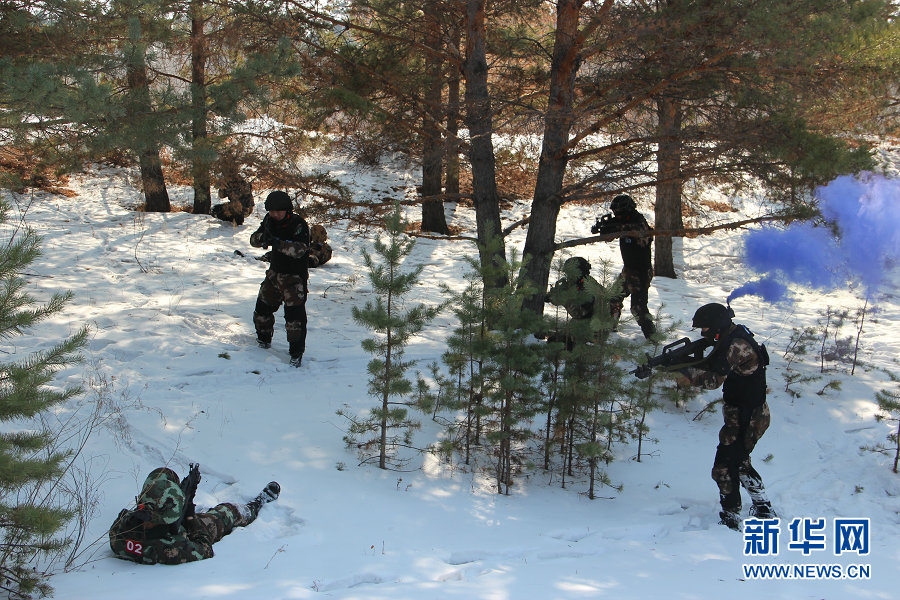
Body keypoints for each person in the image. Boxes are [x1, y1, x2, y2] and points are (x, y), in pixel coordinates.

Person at [679, 303, 774, 530]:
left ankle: (731, 519)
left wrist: (683, 375)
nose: (703, 334)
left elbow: (713, 380)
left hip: (749, 417)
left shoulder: (737, 345)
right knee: (739, 463)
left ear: (718, 326)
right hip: (744, 414)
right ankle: (763, 507)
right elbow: (710, 363)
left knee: (724, 467)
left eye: (706, 328)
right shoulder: (732, 337)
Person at [109, 467, 280, 564]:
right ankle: (257, 504)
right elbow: (205, 549)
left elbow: (160, 477)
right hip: (184, 533)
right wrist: (189, 516)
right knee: (225, 513)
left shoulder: (120, 530)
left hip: (163, 524)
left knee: (164, 474)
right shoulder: (170, 548)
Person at [250, 191, 311, 367]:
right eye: (271, 211)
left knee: (295, 319)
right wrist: (263, 238)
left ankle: (296, 353)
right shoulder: (269, 221)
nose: (275, 214)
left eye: (278, 211)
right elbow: (253, 239)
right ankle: (263, 340)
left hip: (294, 279)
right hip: (274, 274)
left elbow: (300, 250)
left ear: (287, 210)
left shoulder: (298, 224)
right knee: (262, 309)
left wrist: (277, 243)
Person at [590, 193, 656, 339]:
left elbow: (643, 237)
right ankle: (609, 327)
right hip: (628, 271)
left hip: (641, 272)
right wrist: (603, 229)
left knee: (638, 308)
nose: (617, 215)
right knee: (613, 298)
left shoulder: (638, 222)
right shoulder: (621, 222)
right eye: (615, 213)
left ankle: (653, 338)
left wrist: (619, 228)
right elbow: (610, 233)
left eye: (619, 213)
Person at [545, 256, 608, 351]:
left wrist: (563, 297)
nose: (568, 276)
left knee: (560, 345)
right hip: (581, 325)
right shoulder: (577, 284)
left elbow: (581, 313)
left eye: (570, 273)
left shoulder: (589, 288)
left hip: (594, 330)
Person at [211, 161, 254, 226]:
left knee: (234, 208)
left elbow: (239, 198)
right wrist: (222, 188)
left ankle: (236, 220)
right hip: (233, 205)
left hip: (244, 208)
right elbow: (221, 196)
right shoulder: (228, 181)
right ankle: (230, 218)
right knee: (214, 210)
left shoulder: (241, 181)